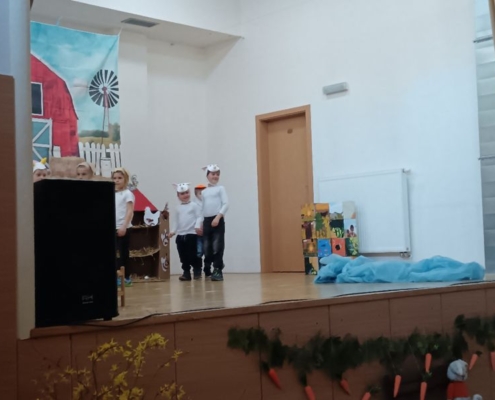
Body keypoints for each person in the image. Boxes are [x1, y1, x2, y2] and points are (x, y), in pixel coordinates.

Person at [168, 183, 203, 281]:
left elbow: (199, 217)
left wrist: (197, 226)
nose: (185, 195)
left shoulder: (194, 206)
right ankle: (186, 272)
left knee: (193, 254)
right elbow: (176, 221)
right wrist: (173, 231)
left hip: (192, 234)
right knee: (183, 255)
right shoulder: (178, 208)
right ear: (178, 196)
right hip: (180, 235)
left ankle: (197, 270)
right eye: (182, 194)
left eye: (187, 192)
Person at [201, 164, 228, 281]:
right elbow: (201, 208)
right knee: (207, 247)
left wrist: (218, 217)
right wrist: (199, 223)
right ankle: (212, 265)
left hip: (217, 220)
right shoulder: (204, 192)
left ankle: (217, 269)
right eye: (213, 174)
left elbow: (226, 204)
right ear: (207, 175)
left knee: (217, 246)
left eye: (217, 174)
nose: (215, 176)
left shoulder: (220, 189)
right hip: (206, 221)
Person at [113, 167, 135, 287]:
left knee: (123, 254)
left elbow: (130, 211)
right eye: (114, 178)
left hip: (123, 228)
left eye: (120, 178)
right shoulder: (112, 194)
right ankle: (116, 276)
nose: (117, 180)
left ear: (125, 179)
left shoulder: (127, 194)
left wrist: (124, 226)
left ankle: (126, 277)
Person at [194, 184, 206, 269]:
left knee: (208, 252)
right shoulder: (193, 205)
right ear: (196, 195)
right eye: (200, 193)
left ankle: (207, 269)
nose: (202, 195)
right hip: (197, 232)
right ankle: (197, 269)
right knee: (198, 251)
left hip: (207, 231)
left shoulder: (209, 204)